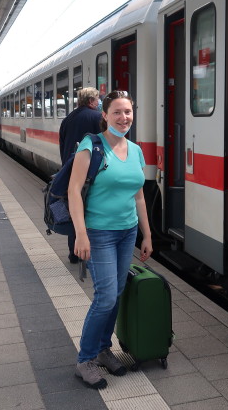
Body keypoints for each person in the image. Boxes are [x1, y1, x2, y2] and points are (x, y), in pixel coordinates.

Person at [69, 90, 153, 389]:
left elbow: (139, 195)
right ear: (104, 115)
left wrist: (147, 233)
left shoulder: (136, 150)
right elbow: (74, 191)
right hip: (99, 232)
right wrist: (81, 233)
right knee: (105, 296)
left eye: (128, 112)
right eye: (117, 112)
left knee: (116, 293)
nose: (124, 117)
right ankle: (86, 360)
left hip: (127, 231)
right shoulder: (91, 146)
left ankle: (104, 349)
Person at [59, 87, 102, 263]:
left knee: (75, 212)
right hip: (94, 173)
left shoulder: (68, 119)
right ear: (92, 101)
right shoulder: (98, 117)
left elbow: (62, 145)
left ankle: (74, 252)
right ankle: (92, 253)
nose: (99, 102)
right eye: (98, 100)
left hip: (71, 171)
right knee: (92, 212)